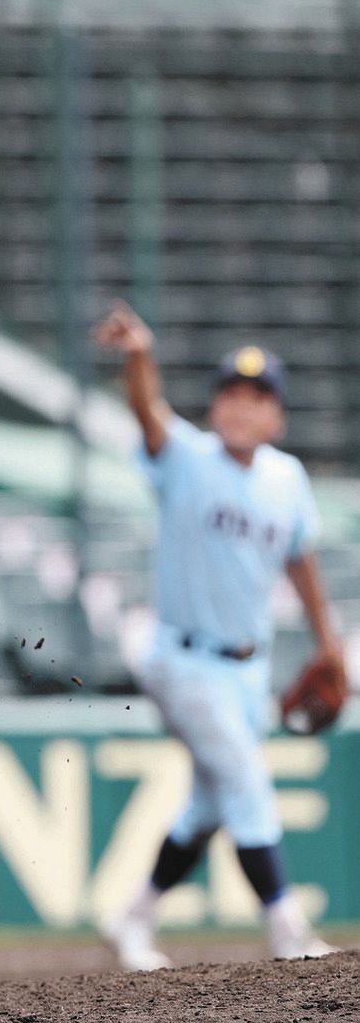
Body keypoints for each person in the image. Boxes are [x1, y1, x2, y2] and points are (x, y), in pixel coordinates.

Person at [93, 299, 345, 971]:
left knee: (208, 804)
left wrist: (329, 643)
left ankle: (133, 918)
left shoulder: (286, 479)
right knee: (244, 777)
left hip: (247, 668)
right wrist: (141, 358)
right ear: (214, 407)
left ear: (278, 416)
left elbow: (302, 559)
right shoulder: (188, 458)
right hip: (179, 657)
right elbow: (149, 414)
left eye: (257, 396)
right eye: (230, 393)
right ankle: (287, 927)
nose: (240, 405)